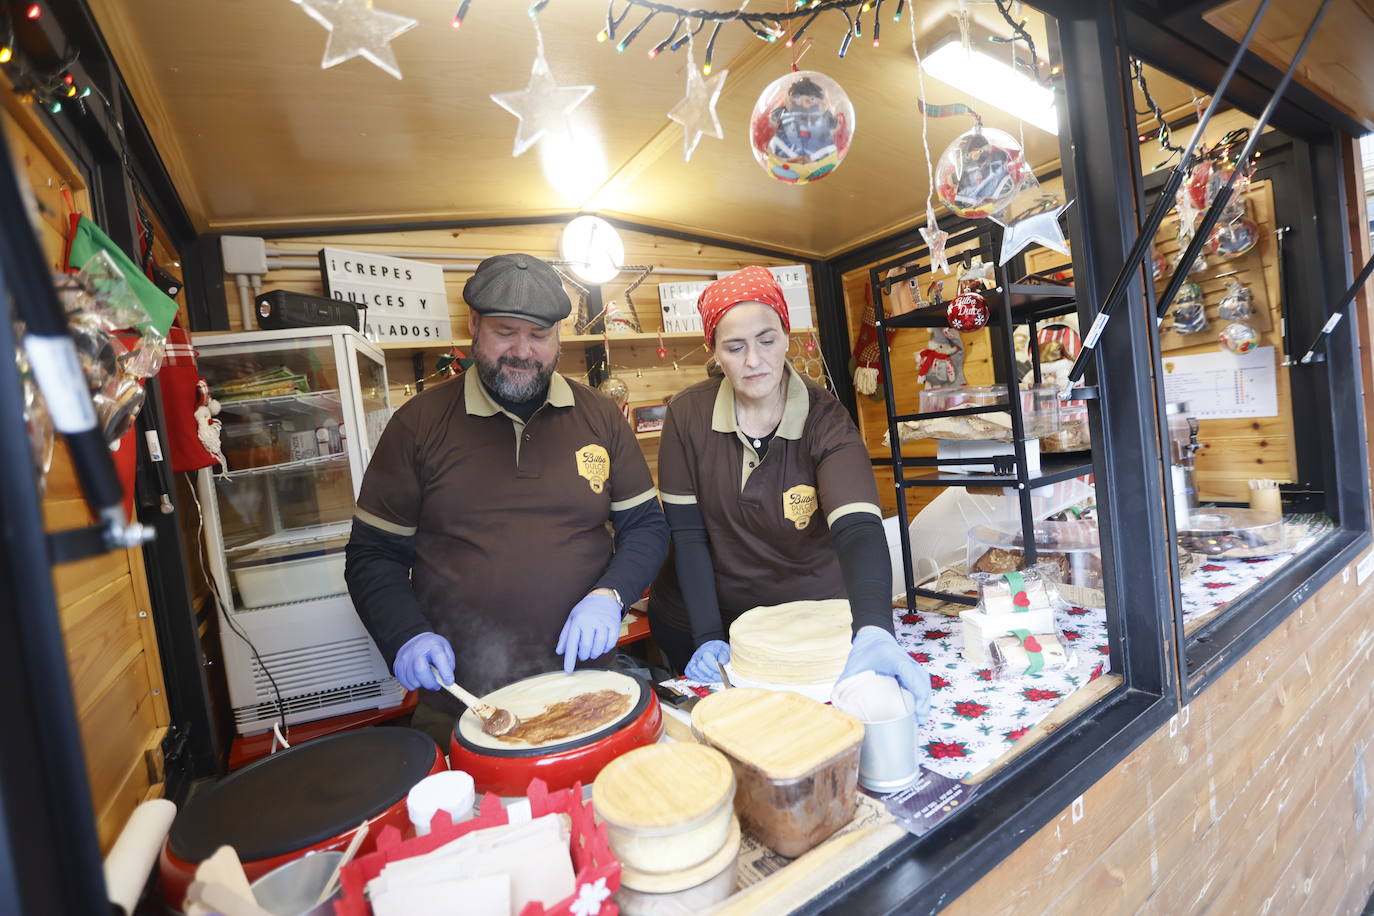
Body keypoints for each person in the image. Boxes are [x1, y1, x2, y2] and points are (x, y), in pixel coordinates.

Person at [345, 253, 670, 744]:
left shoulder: (600, 418)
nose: (523, 350)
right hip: (465, 700)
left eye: (539, 335)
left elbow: (645, 525)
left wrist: (611, 596)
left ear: (559, 335)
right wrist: (405, 634)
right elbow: (372, 555)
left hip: (588, 685)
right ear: (473, 324)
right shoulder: (417, 425)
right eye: (505, 331)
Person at [647, 267, 930, 719]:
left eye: (767, 340)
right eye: (734, 347)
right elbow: (688, 533)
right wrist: (705, 635)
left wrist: (875, 628)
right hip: (707, 618)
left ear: (787, 335)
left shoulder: (826, 421)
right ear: (714, 351)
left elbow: (858, 527)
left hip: (808, 629)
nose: (754, 361)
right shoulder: (687, 416)